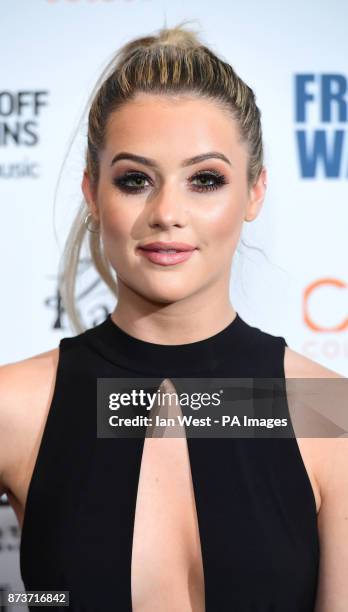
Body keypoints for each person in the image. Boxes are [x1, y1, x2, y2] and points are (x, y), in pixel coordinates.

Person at [0, 21, 346, 612]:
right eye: (135, 180)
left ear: (255, 192)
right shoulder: (17, 406)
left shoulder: (324, 410)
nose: (167, 212)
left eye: (205, 179)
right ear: (92, 192)